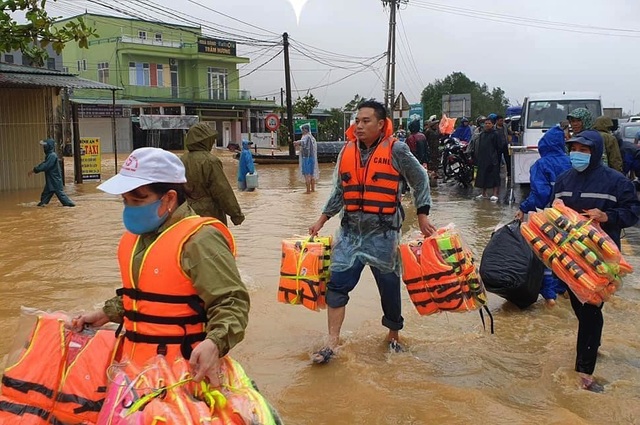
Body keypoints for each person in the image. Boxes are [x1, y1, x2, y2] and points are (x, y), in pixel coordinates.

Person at [72, 147, 250, 386]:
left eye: (138, 199)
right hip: (137, 369)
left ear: (169, 198)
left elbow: (232, 301)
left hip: (183, 373)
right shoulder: (139, 237)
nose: (130, 208)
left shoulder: (200, 240)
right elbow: (144, 295)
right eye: (125, 201)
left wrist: (214, 343)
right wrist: (105, 314)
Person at [307, 100, 436, 364]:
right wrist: (321, 220)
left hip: (383, 234)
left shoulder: (397, 150)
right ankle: (332, 341)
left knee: (389, 288)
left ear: (381, 124)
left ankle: (393, 336)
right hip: (350, 233)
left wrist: (422, 215)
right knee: (336, 286)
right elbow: (339, 191)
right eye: (357, 120)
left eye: (366, 121)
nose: (360, 125)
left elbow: (420, 179)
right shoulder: (347, 151)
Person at [554, 130, 639, 392]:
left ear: (596, 152)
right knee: (582, 311)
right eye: (574, 148)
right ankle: (593, 345)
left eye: (584, 149)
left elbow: (633, 212)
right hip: (570, 259)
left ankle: (585, 373)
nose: (577, 154)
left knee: (591, 312)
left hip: (599, 259)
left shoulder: (616, 182)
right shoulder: (563, 180)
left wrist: (607, 216)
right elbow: (552, 216)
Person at [514, 125, 571, 306]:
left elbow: (540, 194)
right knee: (566, 253)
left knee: (545, 255)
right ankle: (565, 290)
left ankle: (549, 296)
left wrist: (524, 207)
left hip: (549, 216)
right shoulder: (570, 162)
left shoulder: (541, 164)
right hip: (571, 217)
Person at [181, 122, 245, 226]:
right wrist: (236, 215)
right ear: (205, 141)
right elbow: (222, 190)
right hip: (209, 215)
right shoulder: (210, 161)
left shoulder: (180, 160)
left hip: (186, 216)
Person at [27, 139, 75, 207]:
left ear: (48, 146)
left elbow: (45, 165)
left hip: (54, 181)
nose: (43, 148)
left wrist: (34, 170)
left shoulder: (52, 156)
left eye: (44, 146)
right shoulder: (50, 155)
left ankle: (72, 206)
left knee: (63, 198)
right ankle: (41, 206)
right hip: (51, 181)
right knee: (45, 196)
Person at [473, 116, 503, 201]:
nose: (487, 125)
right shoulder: (482, 134)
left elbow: (499, 147)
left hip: (493, 159)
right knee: (483, 176)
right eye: (486, 123)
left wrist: (496, 157)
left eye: (489, 123)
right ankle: (483, 193)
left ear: (493, 124)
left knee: (494, 177)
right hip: (483, 159)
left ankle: (495, 194)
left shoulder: (496, 134)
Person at [293, 123, 319, 193]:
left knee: (307, 175)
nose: (302, 131)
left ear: (305, 130)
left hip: (306, 159)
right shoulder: (312, 138)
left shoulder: (306, 137)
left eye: (302, 129)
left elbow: (302, 142)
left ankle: (308, 192)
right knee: (312, 175)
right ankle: (313, 190)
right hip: (312, 158)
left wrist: (296, 142)